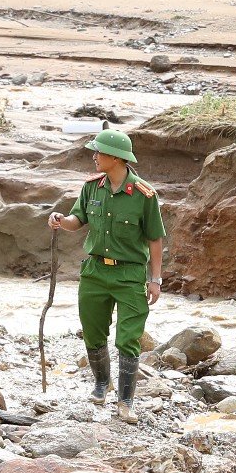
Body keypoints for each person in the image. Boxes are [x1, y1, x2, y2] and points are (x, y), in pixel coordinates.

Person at [50, 127, 164, 422]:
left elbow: (155, 238)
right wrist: (62, 221)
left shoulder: (144, 195)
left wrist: (155, 279)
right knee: (92, 329)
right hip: (95, 272)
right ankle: (102, 383)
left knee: (128, 338)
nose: (94, 157)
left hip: (129, 275)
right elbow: (79, 220)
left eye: (98, 152)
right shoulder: (91, 187)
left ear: (115, 157)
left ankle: (126, 401)